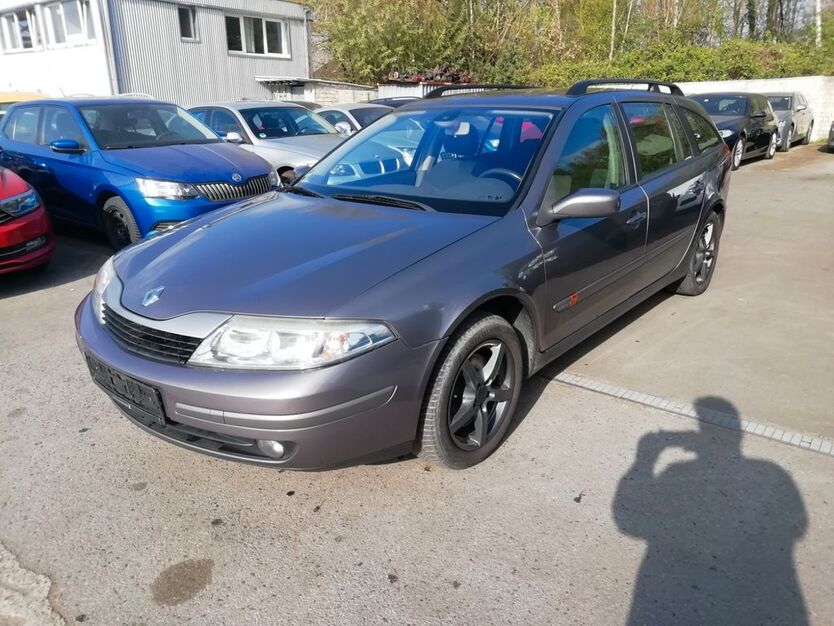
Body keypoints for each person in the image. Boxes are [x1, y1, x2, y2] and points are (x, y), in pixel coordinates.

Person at [613, 397, 808, 625]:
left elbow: (629, 521)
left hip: (672, 593)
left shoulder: (677, 471)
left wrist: (644, 459)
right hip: (763, 598)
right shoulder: (771, 473)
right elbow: (797, 527)